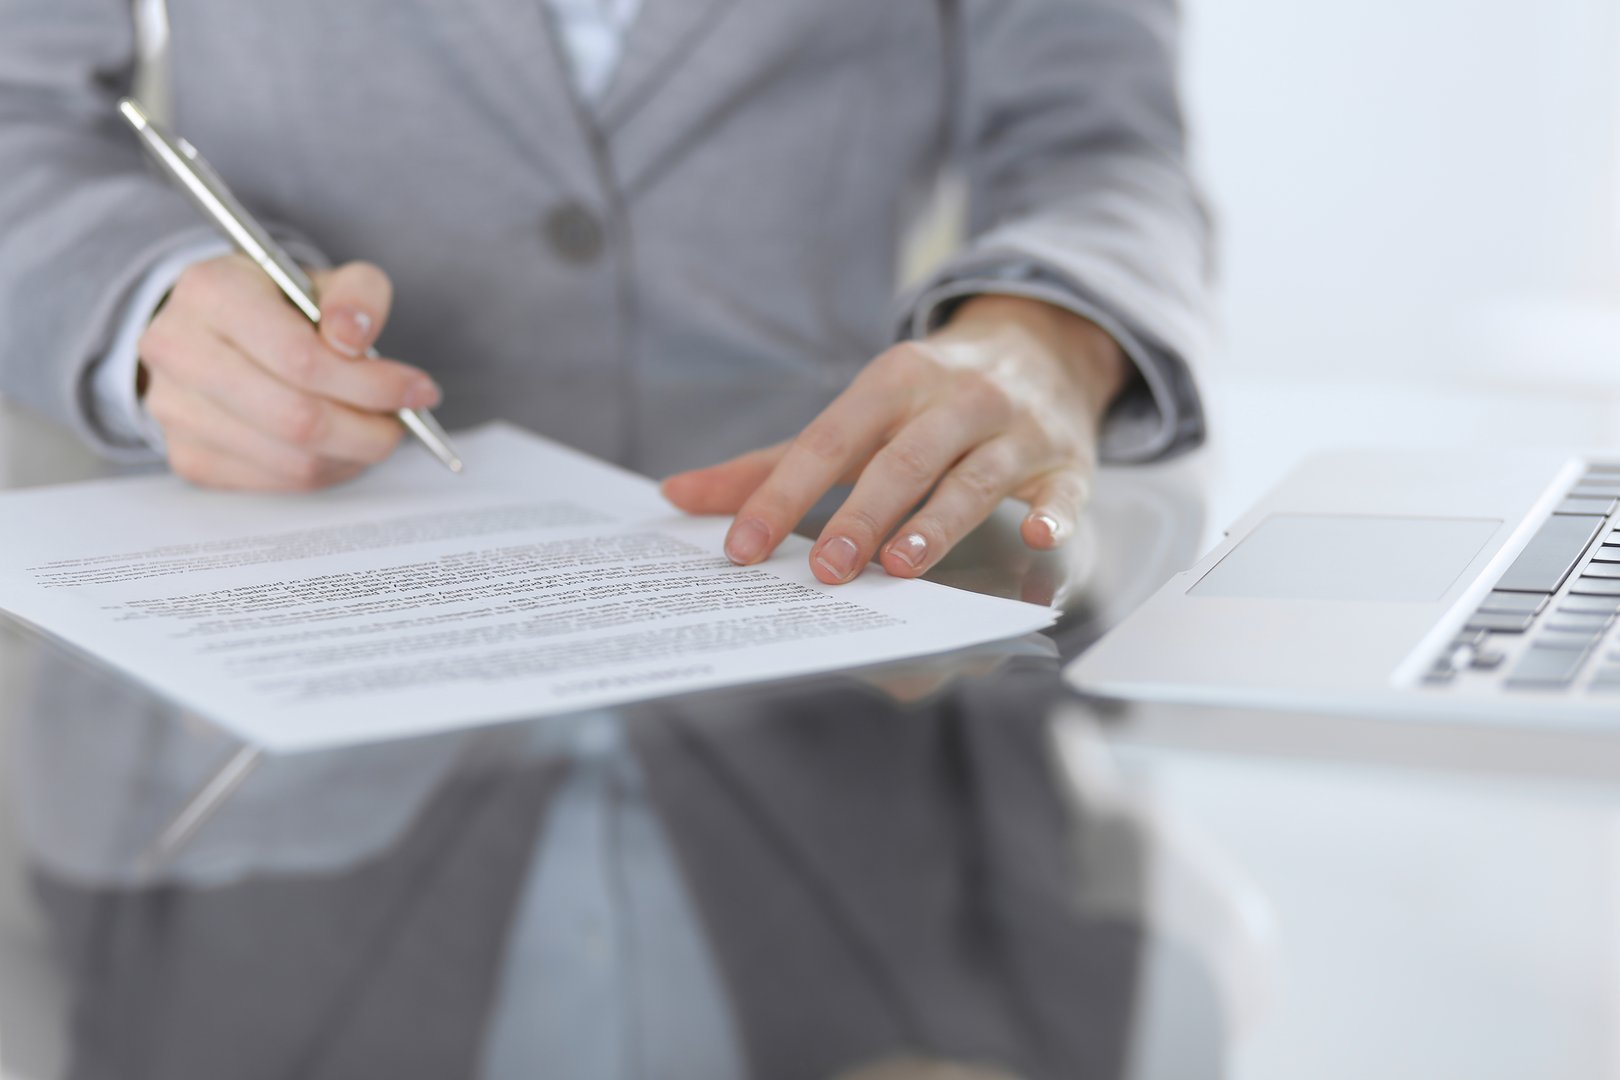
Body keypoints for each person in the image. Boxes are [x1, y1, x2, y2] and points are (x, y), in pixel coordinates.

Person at [0, 0, 1209, 584]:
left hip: (818, 611)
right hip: (280, 627)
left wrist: (1048, 335)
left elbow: (1102, 143)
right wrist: (146, 306)